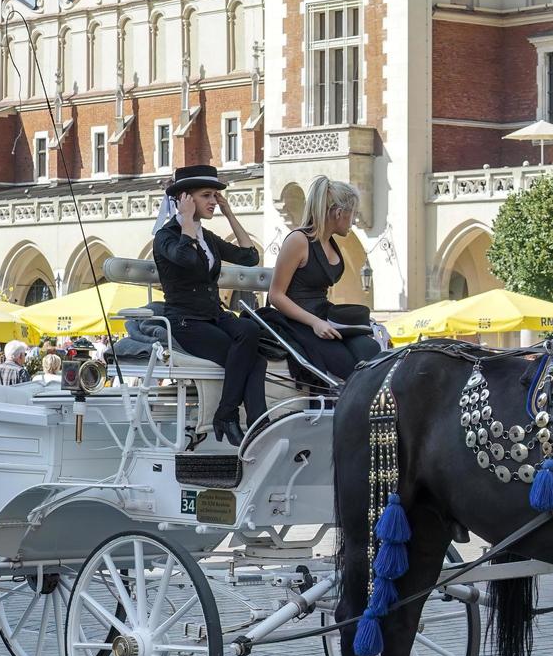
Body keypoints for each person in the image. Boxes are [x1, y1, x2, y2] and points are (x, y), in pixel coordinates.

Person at [152, 164, 267, 446]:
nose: (214, 201)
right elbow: (186, 259)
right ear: (185, 199)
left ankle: (228, 415)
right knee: (252, 359)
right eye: (207, 196)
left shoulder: (207, 238)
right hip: (185, 321)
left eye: (215, 196)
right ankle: (252, 422)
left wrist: (229, 213)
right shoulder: (166, 236)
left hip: (213, 315)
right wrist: (186, 220)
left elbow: (250, 257)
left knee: (251, 331)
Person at [266, 176, 383, 381]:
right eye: (353, 214)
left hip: (323, 315)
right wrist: (315, 323)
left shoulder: (329, 242)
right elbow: (275, 295)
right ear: (339, 213)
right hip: (295, 320)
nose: (354, 221)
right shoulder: (298, 240)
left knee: (371, 350)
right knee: (346, 364)